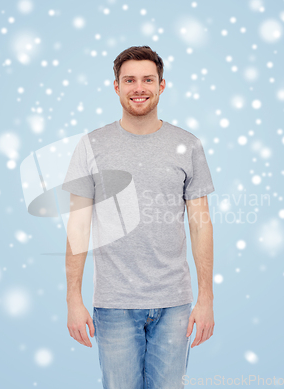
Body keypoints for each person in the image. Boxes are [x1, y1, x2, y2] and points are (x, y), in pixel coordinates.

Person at [62, 45, 215, 389]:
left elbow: (201, 225)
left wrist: (206, 298)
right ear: (116, 86)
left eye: (148, 79)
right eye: (129, 80)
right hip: (114, 303)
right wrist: (73, 298)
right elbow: (78, 226)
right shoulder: (92, 145)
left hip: (174, 303)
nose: (139, 88)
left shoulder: (187, 145)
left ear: (162, 85)